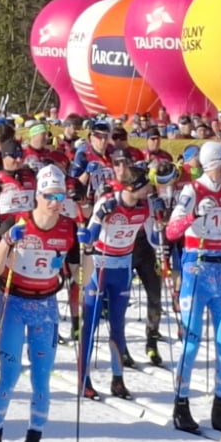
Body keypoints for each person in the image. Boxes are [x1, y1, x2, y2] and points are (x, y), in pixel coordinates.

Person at [0, 165, 78, 442]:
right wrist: (7, 241)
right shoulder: (17, 222)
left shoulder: (68, 228)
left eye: (60, 195)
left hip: (46, 306)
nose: (54, 202)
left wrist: (87, 248)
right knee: (9, 375)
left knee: (42, 380)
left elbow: (76, 275)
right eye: (49, 195)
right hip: (15, 303)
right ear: (37, 195)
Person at [165, 141, 221, 435]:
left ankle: (220, 406)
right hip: (197, 267)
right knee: (192, 340)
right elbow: (172, 231)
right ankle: (181, 404)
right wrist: (194, 216)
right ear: (216, 164)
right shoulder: (192, 190)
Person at [78, 162, 158, 399]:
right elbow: (90, 236)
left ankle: (118, 380)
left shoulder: (146, 206)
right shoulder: (108, 202)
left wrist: (164, 224)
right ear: (133, 187)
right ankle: (84, 379)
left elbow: (154, 238)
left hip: (123, 268)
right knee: (90, 324)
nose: (149, 190)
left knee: (118, 325)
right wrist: (97, 220)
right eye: (145, 186)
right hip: (100, 266)